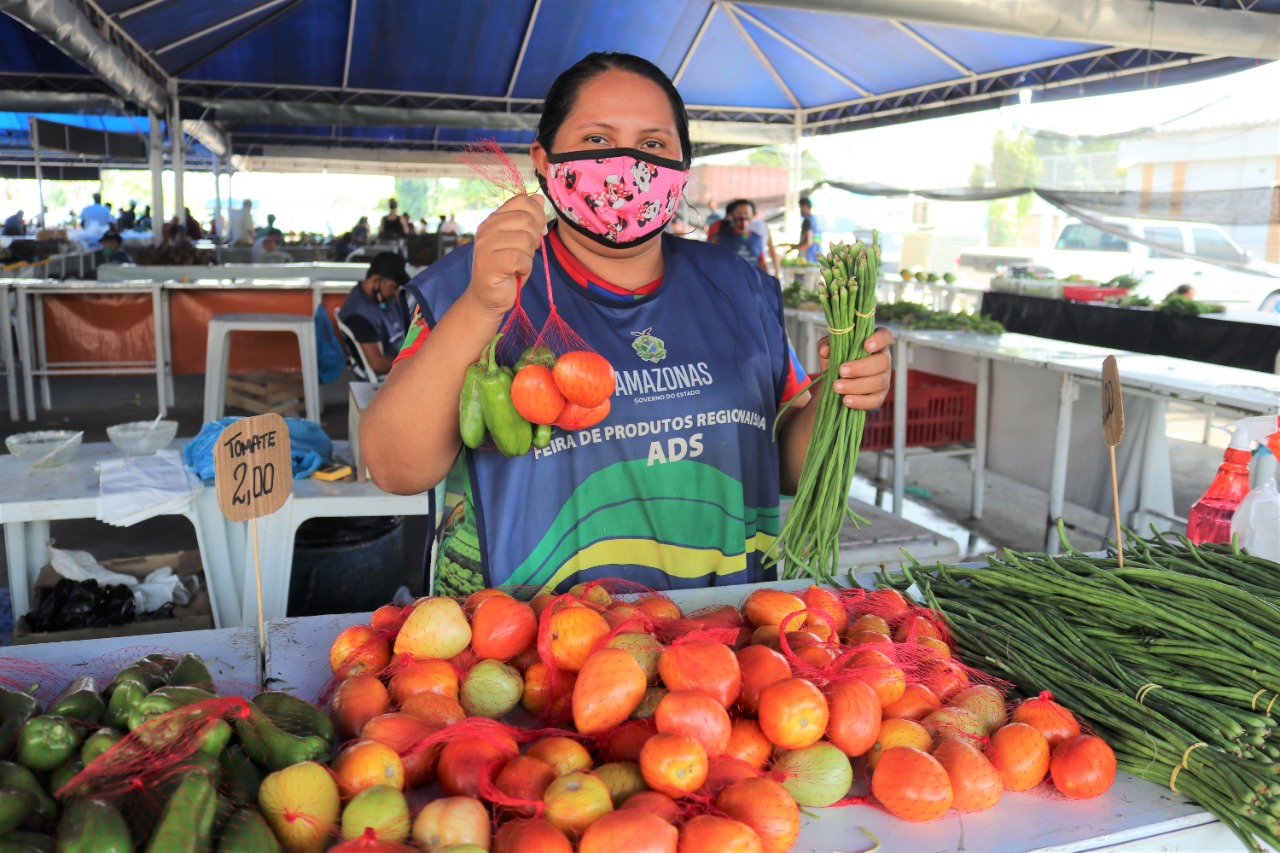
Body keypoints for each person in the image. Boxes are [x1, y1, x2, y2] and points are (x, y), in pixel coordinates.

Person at [360, 51, 892, 595]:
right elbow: (395, 468)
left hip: (725, 645)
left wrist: (842, 394)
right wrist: (480, 307)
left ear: (684, 165)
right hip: (533, 655)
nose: (625, 164)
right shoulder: (471, 286)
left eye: (653, 144)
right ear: (544, 160)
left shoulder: (739, 289)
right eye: (596, 140)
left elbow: (786, 469)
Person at [338, 252, 411, 377]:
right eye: (393, 287)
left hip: (406, 356)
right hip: (392, 375)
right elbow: (377, 363)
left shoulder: (381, 297)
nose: (395, 293)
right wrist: (414, 365)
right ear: (376, 281)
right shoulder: (358, 315)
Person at [708, 199, 768, 271]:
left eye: (746, 213)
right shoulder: (719, 238)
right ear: (731, 215)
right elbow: (712, 261)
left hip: (751, 281)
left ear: (752, 216)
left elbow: (762, 263)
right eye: (739, 213)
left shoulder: (757, 239)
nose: (743, 216)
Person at [787, 195, 821, 263]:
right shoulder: (815, 220)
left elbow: (808, 243)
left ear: (805, 207)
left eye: (801, 207)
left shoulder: (807, 221)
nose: (800, 210)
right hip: (815, 257)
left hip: (807, 258)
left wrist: (792, 249)